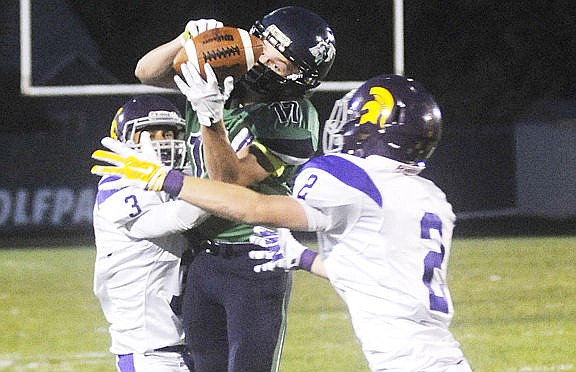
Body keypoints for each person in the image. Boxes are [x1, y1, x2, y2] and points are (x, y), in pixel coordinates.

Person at [92, 74, 473, 371]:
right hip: (441, 357)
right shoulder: (431, 198)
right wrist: (301, 258)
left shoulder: (351, 178)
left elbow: (253, 208)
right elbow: (368, 275)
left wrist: (168, 179)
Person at [133, 7, 336, 372]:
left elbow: (229, 183)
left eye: (285, 61)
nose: (270, 57)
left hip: (254, 261)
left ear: (301, 78)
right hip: (201, 257)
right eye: (270, 44)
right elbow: (145, 72)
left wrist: (211, 118)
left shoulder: (294, 116)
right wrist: (186, 42)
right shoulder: (219, 77)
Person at [92, 95, 213, 371]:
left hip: (188, 346)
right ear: (125, 140)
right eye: (149, 134)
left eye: (168, 133)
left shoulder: (181, 183)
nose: (161, 142)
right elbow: (185, 216)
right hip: (150, 353)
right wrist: (224, 181)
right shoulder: (117, 185)